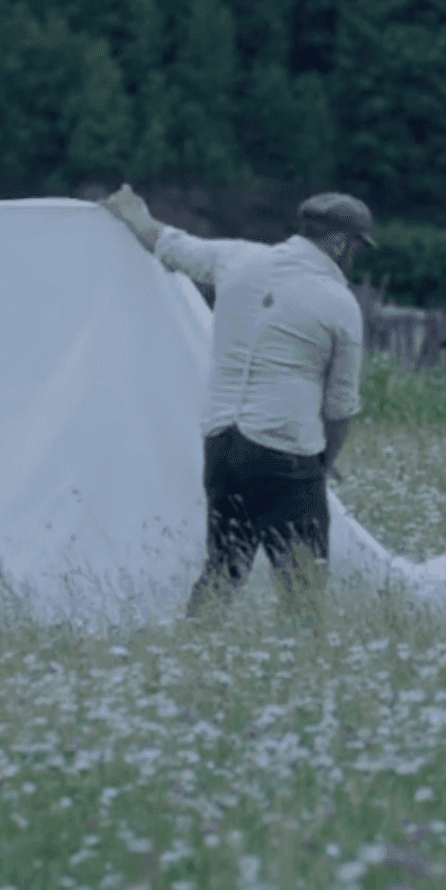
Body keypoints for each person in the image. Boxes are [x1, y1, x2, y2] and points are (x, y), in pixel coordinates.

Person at [101, 185, 371, 606]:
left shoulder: (237, 258)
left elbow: (170, 244)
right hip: (285, 452)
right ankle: (308, 664)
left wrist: (131, 211)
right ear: (340, 242)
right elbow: (340, 407)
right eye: (354, 246)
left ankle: (193, 655)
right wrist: (324, 464)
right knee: (304, 587)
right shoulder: (340, 304)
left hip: (222, 444)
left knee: (223, 570)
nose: (354, 256)